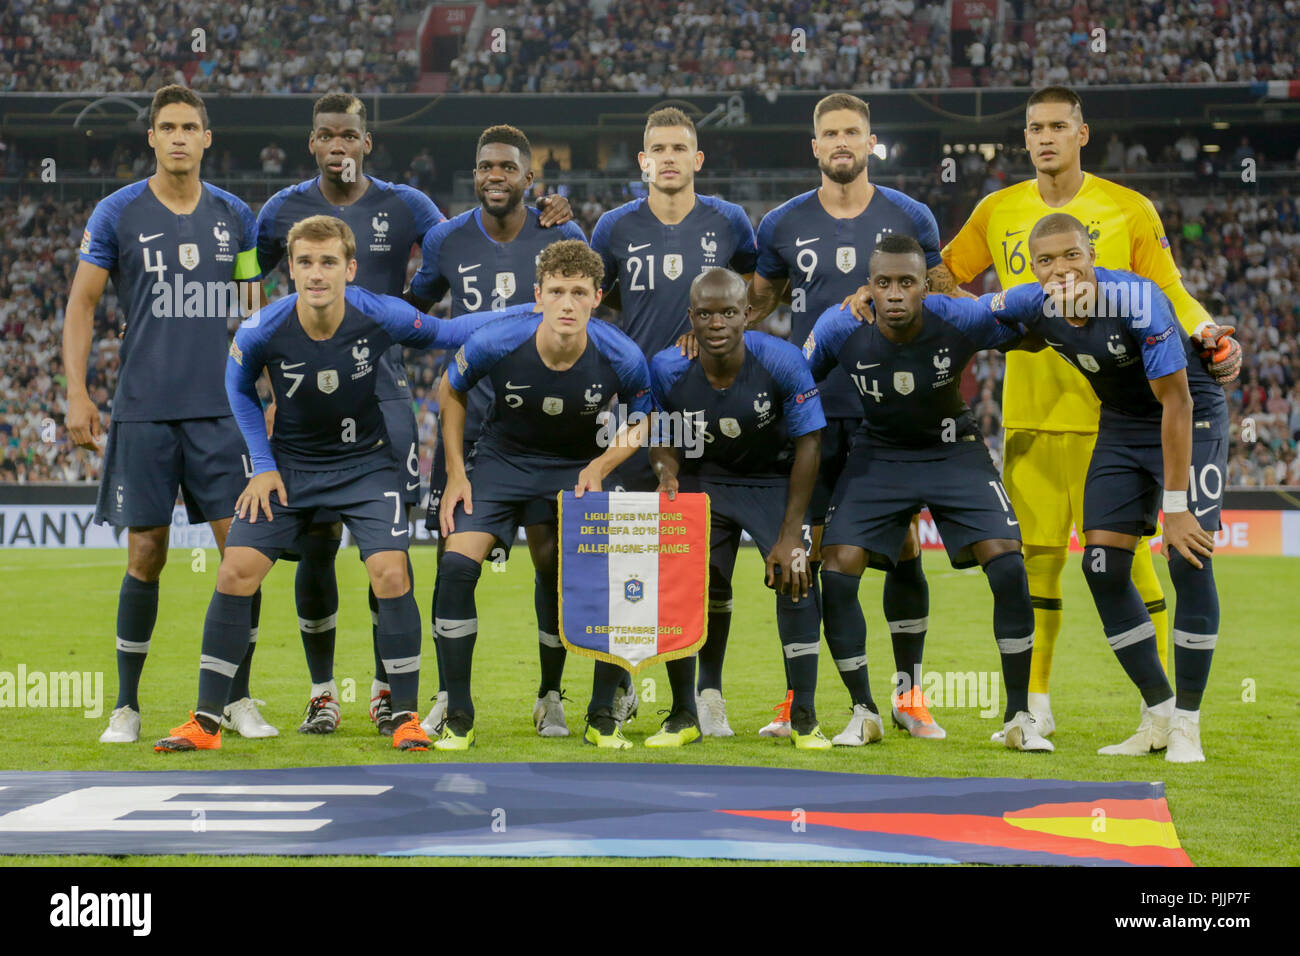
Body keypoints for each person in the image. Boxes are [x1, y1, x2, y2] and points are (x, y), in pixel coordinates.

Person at [862, 86, 1238, 740]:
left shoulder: (1128, 209)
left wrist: (1208, 334)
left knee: (1143, 561)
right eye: (1035, 127)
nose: (1045, 137)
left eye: (1058, 126)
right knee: (1038, 559)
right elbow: (945, 277)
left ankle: (1167, 712)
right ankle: (1036, 699)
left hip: (1117, 413)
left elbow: (1171, 292)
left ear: (1081, 133)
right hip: (1029, 414)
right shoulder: (998, 209)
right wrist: (887, 308)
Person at [257, 97, 577, 736]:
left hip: (387, 401)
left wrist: (553, 209)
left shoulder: (415, 211)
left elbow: (426, 309)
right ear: (313, 142)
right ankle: (324, 693)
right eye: (328, 134)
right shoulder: (279, 211)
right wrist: (259, 358)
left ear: (367, 141)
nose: (339, 144)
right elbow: (247, 270)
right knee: (318, 546)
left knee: (391, 551)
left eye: (350, 132)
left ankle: (388, 688)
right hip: (307, 405)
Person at [154, 215, 492, 753]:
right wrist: (262, 464)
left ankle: (404, 715)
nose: (316, 273)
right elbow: (238, 389)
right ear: (289, 268)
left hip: (366, 466)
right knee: (236, 570)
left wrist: (535, 310)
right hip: (289, 467)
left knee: (389, 569)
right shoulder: (262, 328)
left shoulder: (378, 312)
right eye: (305, 262)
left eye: (328, 261)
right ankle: (206, 722)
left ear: (349, 268)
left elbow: (449, 333)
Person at [749, 93, 958, 739]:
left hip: (889, 414)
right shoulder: (782, 224)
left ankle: (908, 694)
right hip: (812, 412)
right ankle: (797, 700)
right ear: (814, 146)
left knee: (900, 550)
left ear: (871, 143)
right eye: (829, 133)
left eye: (853, 132)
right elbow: (755, 303)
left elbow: (946, 297)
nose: (841, 141)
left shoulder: (911, 215)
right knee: (800, 552)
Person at [64, 85, 266, 745]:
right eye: (168, 127)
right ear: (152, 137)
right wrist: (76, 391)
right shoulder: (117, 213)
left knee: (241, 555)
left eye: (191, 127)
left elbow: (254, 310)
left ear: (207, 139)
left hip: (222, 415)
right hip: (144, 412)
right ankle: (126, 705)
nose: (179, 137)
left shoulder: (236, 216)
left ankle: (237, 699)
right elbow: (83, 305)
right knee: (145, 554)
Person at [988, 212, 1229, 762]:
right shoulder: (1034, 303)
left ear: (1091, 254)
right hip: (1121, 422)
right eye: (1046, 261)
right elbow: (967, 315)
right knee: (1101, 567)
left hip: (1191, 417)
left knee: (1188, 558)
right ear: (1035, 269)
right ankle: (1159, 714)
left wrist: (1176, 509)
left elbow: (1178, 402)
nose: (1060, 270)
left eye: (1071, 255)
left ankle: (1189, 724)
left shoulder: (1138, 300)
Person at [805, 235, 1049, 751]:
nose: (895, 294)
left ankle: (1019, 717)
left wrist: (995, 309)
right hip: (880, 453)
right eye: (884, 283)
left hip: (951, 448)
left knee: (1007, 562)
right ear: (867, 287)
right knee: (839, 568)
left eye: (906, 283)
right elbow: (796, 382)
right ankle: (864, 711)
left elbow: (1030, 336)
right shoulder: (839, 326)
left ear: (924, 286)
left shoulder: (956, 317)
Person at [433, 239, 652, 750]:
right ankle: (458, 713)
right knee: (456, 565)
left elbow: (644, 417)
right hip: (502, 460)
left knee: (590, 569)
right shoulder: (498, 339)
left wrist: (600, 465)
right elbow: (452, 390)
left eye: (579, 292)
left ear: (598, 297)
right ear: (538, 295)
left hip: (575, 465)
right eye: (557, 291)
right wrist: (455, 473)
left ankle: (596, 714)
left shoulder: (620, 353)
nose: (568, 303)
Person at [407, 124, 585, 737]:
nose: (495, 176)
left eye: (508, 167)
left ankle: (551, 693)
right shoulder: (446, 240)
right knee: (452, 563)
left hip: (544, 434)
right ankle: (448, 694)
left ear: (530, 179)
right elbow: (416, 313)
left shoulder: (560, 232)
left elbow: (588, 307)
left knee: (550, 564)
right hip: (469, 430)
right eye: (485, 166)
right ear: (475, 173)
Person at [590, 107, 757, 734]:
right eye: (656, 148)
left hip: (712, 407)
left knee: (700, 564)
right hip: (640, 410)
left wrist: (725, 339)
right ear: (642, 162)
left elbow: (757, 287)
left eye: (678, 147)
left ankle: (699, 697)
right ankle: (621, 688)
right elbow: (590, 296)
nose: (667, 156)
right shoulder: (612, 226)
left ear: (697, 159)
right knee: (631, 560)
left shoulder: (730, 222)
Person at [649, 269, 829, 749]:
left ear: (746, 314)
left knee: (796, 577)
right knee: (688, 587)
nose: (716, 323)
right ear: (691, 317)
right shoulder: (667, 367)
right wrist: (666, 472)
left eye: (728, 312)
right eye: (705, 314)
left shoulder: (783, 360)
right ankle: (689, 710)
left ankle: (805, 716)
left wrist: (792, 533)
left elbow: (810, 443)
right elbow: (661, 434)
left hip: (771, 479)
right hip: (703, 479)